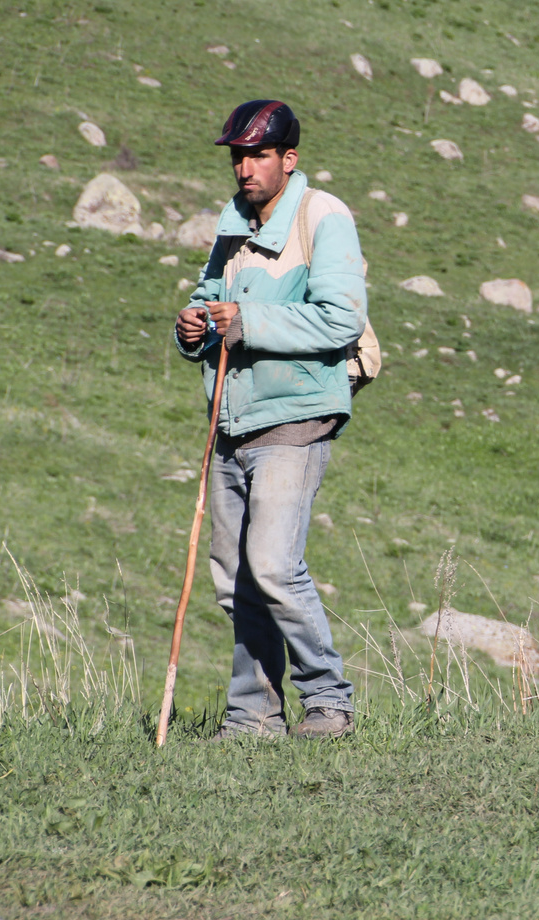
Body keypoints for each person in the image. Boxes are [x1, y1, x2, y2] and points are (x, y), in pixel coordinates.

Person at [173, 99, 366, 739]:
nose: (245, 168)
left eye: (258, 155)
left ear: (290, 158)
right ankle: (253, 714)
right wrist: (193, 326)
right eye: (238, 156)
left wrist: (249, 322)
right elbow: (210, 301)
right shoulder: (232, 225)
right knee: (235, 580)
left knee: (276, 568)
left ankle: (329, 703)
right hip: (232, 419)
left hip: (297, 416)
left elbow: (340, 319)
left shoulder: (324, 217)